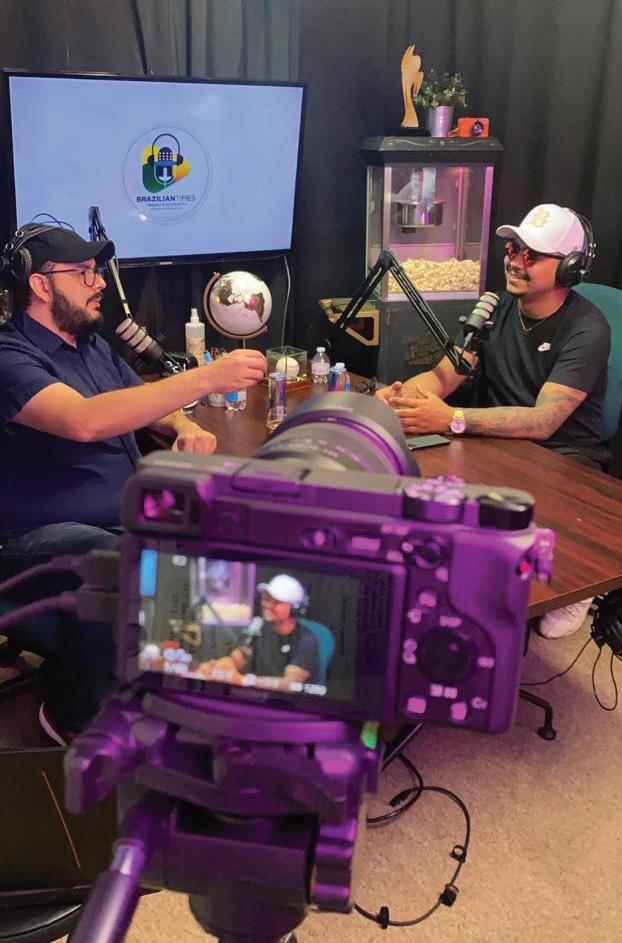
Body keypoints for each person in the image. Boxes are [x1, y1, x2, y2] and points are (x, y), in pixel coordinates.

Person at [0, 223, 267, 740]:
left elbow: (146, 404)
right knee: (119, 559)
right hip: (35, 540)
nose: (99, 282)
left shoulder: (93, 347)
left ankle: (207, 693)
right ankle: (74, 717)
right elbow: (84, 420)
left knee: (232, 531)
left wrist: (184, 426)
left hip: (124, 517)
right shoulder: (10, 356)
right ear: (39, 285)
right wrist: (206, 377)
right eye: (83, 272)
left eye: (96, 271)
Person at [377, 204, 610, 640]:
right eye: (513, 248)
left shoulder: (588, 328)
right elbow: (444, 376)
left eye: (532, 255)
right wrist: (402, 396)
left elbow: (544, 421)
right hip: (498, 444)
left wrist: (451, 417)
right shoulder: (495, 308)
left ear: (571, 267)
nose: (516, 261)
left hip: (562, 461)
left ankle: (578, 581)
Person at [199, 574, 324, 689]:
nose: (267, 604)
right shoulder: (260, 626)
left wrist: (242, 680)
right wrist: (216, 668)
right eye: (266, 598)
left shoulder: (306, 641)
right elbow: (237, 658)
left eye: (276, 601)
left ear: (295, 608)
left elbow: (291, 684)